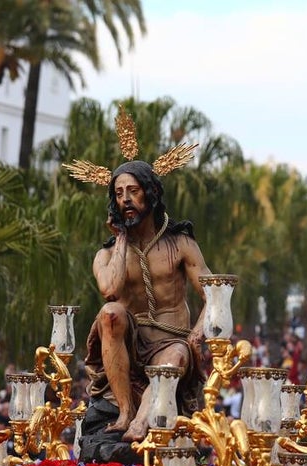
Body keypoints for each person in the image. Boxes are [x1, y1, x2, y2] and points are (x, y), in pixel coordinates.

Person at [85, 159, 212, 443]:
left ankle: (141, 422)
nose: (126, 199)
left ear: (151, 192)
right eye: (118, 194)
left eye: (133, 191)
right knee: (110, 313)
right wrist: (119, 238)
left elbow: (214, 294)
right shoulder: (106, 254)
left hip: (174, 343)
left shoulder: (181, 244)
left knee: (173, 357)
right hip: (130, 346)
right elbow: (110, 290)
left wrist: (196, 335)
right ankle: (124, 412)